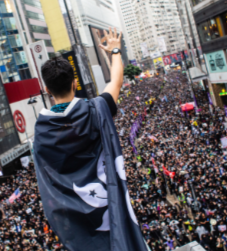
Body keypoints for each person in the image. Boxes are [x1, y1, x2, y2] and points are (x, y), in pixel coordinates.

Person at [34, 28, 147, 251]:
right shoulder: (97, 108)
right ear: (75, 83)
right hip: (109, 202)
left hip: (79, 221)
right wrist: (115, 49)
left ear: (47, 90)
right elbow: (116, 79)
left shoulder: (41, 131)